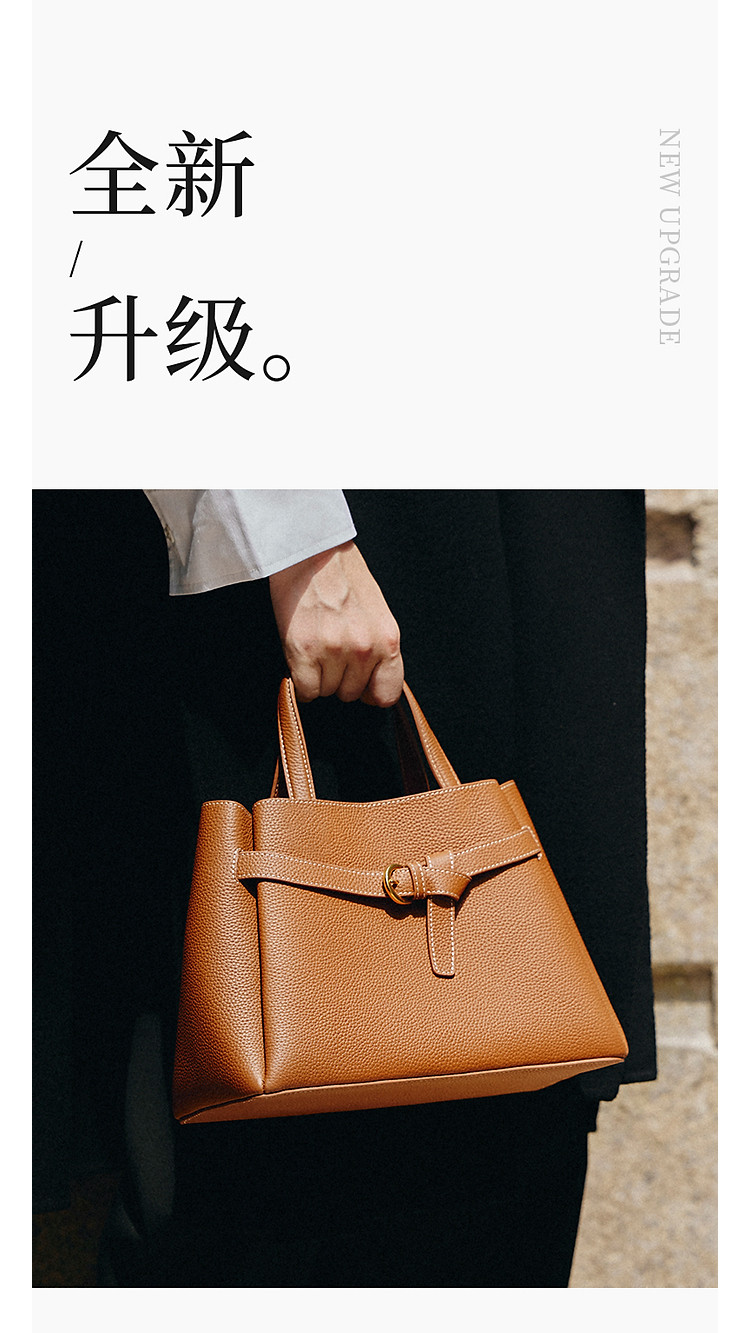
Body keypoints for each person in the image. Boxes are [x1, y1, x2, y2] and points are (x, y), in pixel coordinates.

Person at [33, 490, 656, 1287]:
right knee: (293, 1155)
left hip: (524, 535)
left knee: (521, 1082)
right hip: (354, 540)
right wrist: (296, 541)